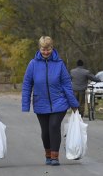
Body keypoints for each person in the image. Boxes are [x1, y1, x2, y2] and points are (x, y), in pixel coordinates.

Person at [21, 36, 79, 166]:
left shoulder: (59, 64)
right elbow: (27, 85)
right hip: (40, 102)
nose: (46, 52)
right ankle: (48, 154)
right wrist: (25, 104)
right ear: (39, 48)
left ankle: (54, 156)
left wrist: (73, 104)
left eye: (48, 49)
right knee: (45, 131)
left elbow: (66, 85)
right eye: (43, 49)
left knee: (54, 126)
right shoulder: (33, 64)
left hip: (59, 102)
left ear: (52, 48)